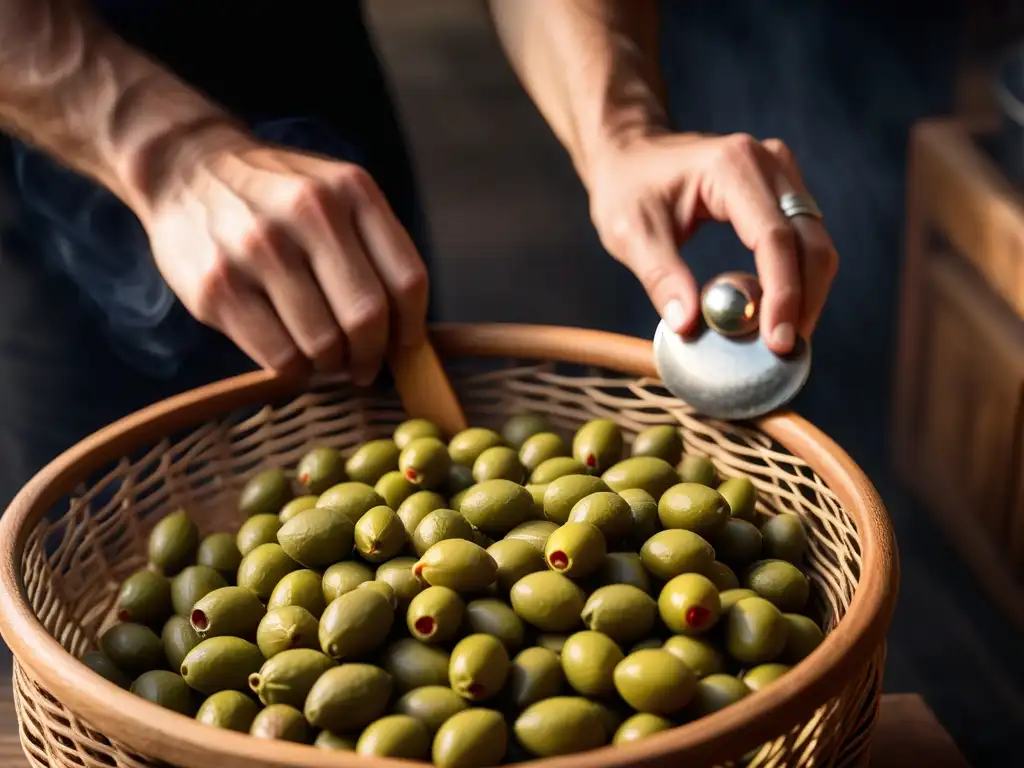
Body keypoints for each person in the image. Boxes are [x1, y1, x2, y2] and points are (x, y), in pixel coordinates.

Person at [0, 0, 838, 507]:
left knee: (391, 400)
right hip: (52, 128)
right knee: (109, 525)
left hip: (306, 78)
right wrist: (168, 152)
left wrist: (617, 125)